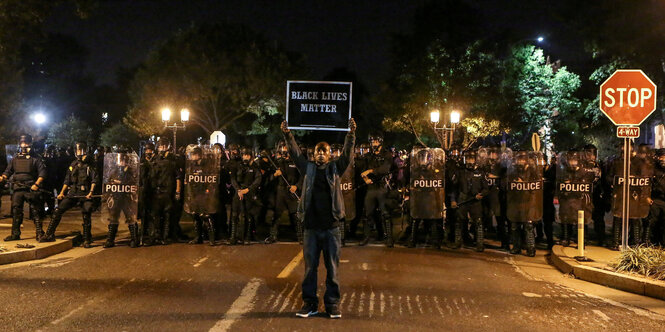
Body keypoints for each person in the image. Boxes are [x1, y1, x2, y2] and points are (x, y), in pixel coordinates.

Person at [282, 118, 355, 319]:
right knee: (309, 269)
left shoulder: (335, 169)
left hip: (331, 227)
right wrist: (288, 134)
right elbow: (295, 154)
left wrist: (350, 135)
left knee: (332, 269)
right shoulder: (308, 168)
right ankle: (310, 304)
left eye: (325, 151)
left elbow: (348, 155)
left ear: (330, 154)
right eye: (318, 151)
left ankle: (332, 304)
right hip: (311, 228)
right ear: (313, 155)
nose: (321, 154)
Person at [41, 142, 98, 247]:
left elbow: (94, 180)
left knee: (86, 213)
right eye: (78, 150)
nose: (80, 152)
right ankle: (49, 234)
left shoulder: (90, 165)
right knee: (58, 210)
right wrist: (62, 193)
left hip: (85, 192)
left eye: (82, 150)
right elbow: (67, 181)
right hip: (73, 192)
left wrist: (90, 193)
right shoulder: (73, 164)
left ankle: (87, 239)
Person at [0, 134, 47, 241]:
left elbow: (42, 173)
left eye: (26, 143)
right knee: (16, 211)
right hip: (17, 187)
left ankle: (40, 233)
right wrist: (3, 177)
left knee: (35, 210)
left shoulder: (36, 158)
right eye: (22, 143)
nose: (24, 145)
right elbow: (8, 171)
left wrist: (36, 184)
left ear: (30, 144)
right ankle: (15, 234)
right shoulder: (15, 158)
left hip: (30, 187)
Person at [358, 133, 393, 247]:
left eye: (376, 141)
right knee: (368, 213)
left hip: (382, 186)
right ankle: (366, 237)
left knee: (385, 213)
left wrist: (371, 171)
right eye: (372, 142)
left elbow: (385, 169)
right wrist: (365, 178)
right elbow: (362, 171)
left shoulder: (387, 154)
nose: (374, 144)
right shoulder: (368, 156)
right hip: (371, 187)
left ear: (380, 142)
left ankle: (389, 238)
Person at [450, 150, 489, 251]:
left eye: (471, 158)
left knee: (478, 222)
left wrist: (482, 194)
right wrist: (453, 200)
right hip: (463, 199)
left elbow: (486, 188)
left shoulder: (480, 172)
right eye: (468, 158)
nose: (470, 161)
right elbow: (454, 188)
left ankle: (480, 244)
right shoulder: (460, 172)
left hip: (475, 200)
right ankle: (457, 242)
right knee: (459, 221)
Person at [145, 137, 181, 246]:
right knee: (155, 215)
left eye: (164, 146)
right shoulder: (154, 160)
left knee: (167, 215)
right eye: (161, 146)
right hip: (156, 191)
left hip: (168, 191)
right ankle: (155, 236)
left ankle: (165, 237)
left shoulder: (173, 160)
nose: (163, 148)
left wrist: (177, 191)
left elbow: (178, 177)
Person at [103, 150, 140, 248]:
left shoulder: (131, 171)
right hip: (116, 197)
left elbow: (133, 182)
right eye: (120, 160)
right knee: (113, 219)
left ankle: (134, 239)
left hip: (127, 198)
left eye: (123, 160)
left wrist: (120, 181)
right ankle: (110, 240)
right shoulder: (114, 171)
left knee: (131, 218)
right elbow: (109, 181)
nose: (121, 162)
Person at [229, 147, 261, 245]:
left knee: (248, 215)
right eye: (244, 155)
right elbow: (233, 179)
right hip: (238, 192)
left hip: (249, 193)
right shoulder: (238, 166)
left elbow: (258, 180)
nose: (245, 157)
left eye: (247, 155)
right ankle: (233, 237)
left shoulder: (254, 167)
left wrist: (248, 190)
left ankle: (247, 237)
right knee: (235, 215)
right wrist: (238, 190)